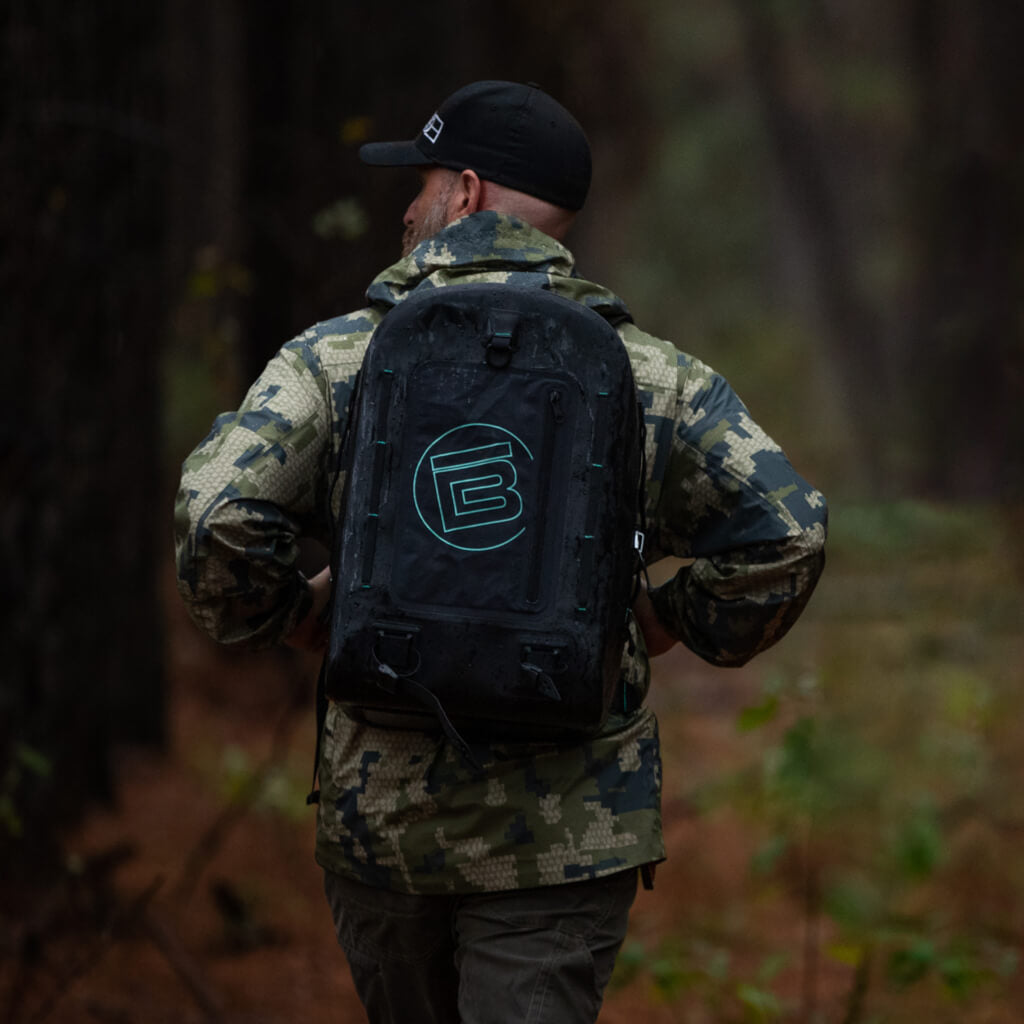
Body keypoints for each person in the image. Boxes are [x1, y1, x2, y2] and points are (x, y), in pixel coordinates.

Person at [175, 80, 827, 1024]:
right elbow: (789, 532)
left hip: (383, 829)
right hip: (566, 839)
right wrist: (661, 620)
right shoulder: (651, 377)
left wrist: (299, 613)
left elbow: (215, 516)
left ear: (467, 193)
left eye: (423, 183)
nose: (408, 210)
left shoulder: (337, 360)